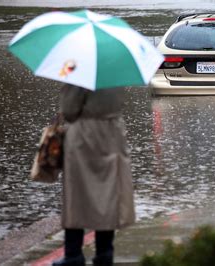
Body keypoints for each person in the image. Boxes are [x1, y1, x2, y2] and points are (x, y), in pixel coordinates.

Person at [52, 84, 135, 266]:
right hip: (112, 135)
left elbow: (69, 110)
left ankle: (73, 254)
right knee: (108, 196)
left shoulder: (79, 69)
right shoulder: (116, 72)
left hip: (84, 137)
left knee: (76, 195)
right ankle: (105, 253)